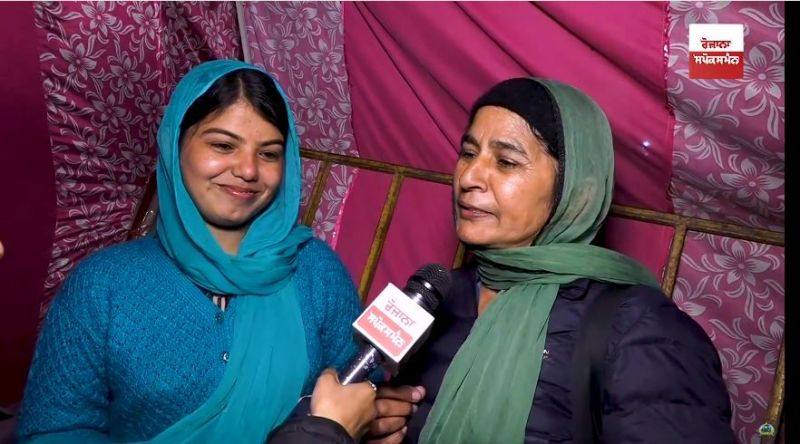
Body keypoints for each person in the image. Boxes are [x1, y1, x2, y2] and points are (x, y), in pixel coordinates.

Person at [17, 59, 376, 443]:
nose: (249, 170)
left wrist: (376, 419)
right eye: (223, 145)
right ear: (176, 144)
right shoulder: (103, 286)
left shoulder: (315, 272)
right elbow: (56, 429)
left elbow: (355, 395)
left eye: (269, 153)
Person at [365, 78, 734, 443]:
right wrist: (374, 424)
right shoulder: (439, 296)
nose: (469, 177)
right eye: (468, 153)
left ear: (577, 191)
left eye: (506, 161)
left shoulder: (640, 328)